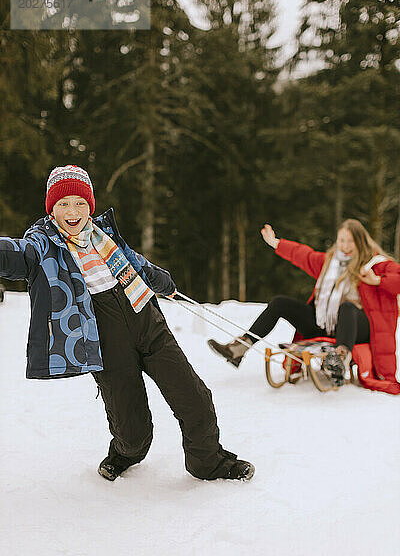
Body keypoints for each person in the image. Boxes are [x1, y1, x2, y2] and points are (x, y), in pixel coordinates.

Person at [0, 165, 255, 482]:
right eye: (63, 203)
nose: (72, 211)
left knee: (194, 397)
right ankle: (126, 453)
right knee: (129, 421)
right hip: (106, 337)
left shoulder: (103, 235)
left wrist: (162, 281)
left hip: (147, 321)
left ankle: (209, 463)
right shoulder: (44, 246)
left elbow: (137, 264)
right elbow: (16, 254)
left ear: (89, 205)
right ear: (51, 208)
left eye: (80, 202)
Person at [208, 219, 400, 390]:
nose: (345, 246)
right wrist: (275, 243)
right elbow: (303, 254)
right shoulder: (328, 263)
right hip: (324, 326)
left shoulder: (375, 264)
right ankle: (240, 348)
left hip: (356, 328)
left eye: (351, 241)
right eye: (342, 241)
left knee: (347, 307)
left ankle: (339, 360)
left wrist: (377, 281)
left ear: (361, 242)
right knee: (280, 303)